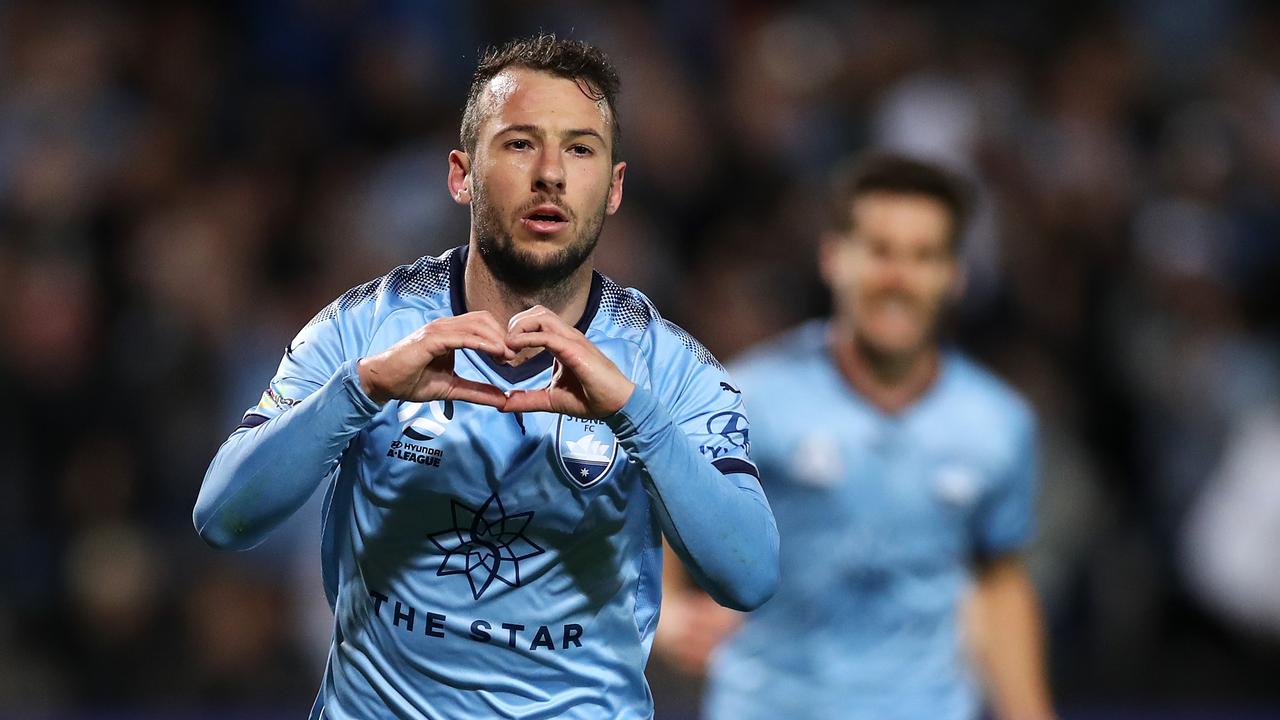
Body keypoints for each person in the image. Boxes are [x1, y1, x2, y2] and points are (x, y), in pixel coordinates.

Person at [193, 34, 779, 720]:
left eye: (581, 149)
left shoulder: (668, 369)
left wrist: (634, 415)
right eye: (521, 143)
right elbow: (223, 517)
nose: (552, 173)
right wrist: (362, 391)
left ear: (614, 188)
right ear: (461, 173)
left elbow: (750, 575)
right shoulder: (365, 330)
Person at [656, 153, 1054, 720]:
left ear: (955, 274)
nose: (898, 278)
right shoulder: (747, 401)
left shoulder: (998, 423)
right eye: (880, 251)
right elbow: (666, 516)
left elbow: (997, 577)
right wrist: (668, 614)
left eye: (923, 256)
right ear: (833, 258)